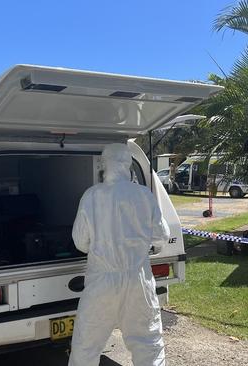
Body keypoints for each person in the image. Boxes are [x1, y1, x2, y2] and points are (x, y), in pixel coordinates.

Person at [69, 143, 170, 366]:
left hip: (101, 282)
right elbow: (162, 236)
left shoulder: (91, 196)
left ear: (104, 165)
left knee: (86, 347)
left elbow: (80, 242)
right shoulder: (144, 195)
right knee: (148, 344)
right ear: (128, 164)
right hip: (138, 280)